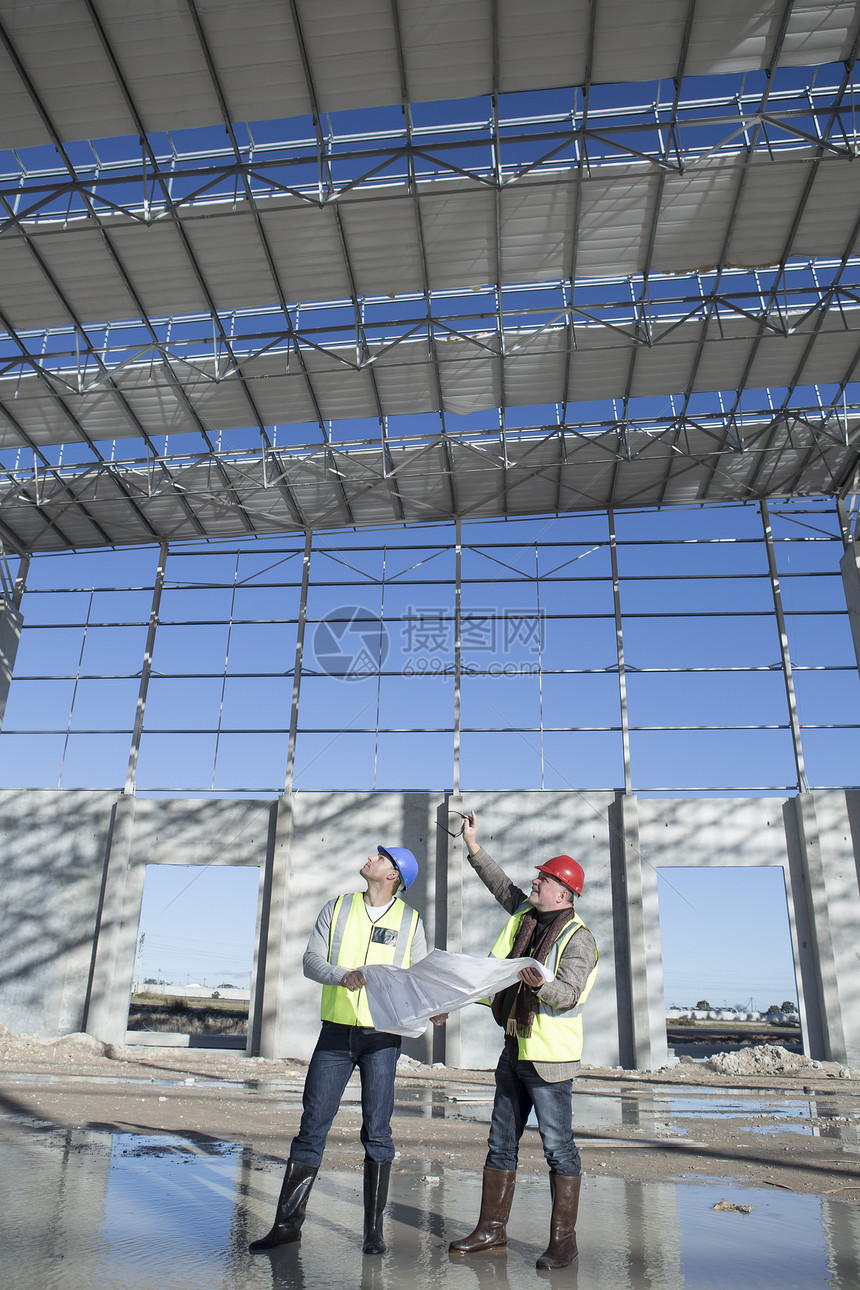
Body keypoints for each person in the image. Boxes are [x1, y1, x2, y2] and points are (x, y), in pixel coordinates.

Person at [250, 843, 443, 1257]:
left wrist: (436, 1009)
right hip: (336, 1035)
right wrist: (342, 976)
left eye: (381, 858)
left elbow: (422, 977)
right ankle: (287, 1226)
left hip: (381, 1039)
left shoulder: (411, 921)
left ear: (394, 876)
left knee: (377, 1131)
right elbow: (309, 960)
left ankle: (373, 1233)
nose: (370, 858)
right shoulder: (337, 907)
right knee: (312, 1125)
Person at [448, 811, 598, 1270]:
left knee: (558, 1148)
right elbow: (502, 886)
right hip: (514, 1049)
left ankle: (563, 1243)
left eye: (545, 878)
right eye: (538, 876)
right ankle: (492, 1231)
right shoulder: (525, 917)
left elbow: (569, 994)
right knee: (500, 1143)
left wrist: (537, 984)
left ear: (564, 893)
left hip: (550, 1061)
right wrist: (472, 845)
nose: (535, 882)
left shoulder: (579, 939)